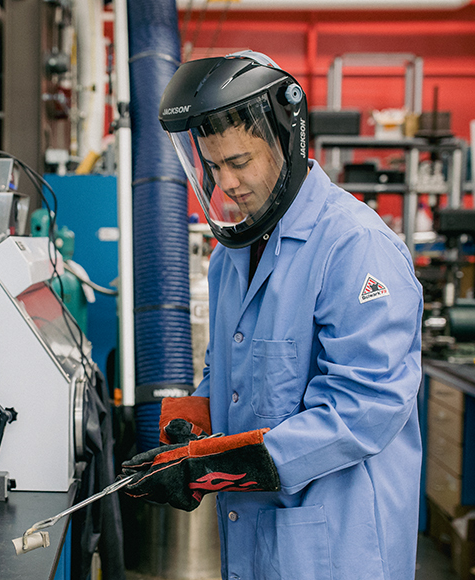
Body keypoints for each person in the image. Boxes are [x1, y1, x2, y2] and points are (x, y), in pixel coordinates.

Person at [122, 51, 423, 580]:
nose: (227, 185)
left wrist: (220, 467)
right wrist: (188, 441)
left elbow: (364, 409)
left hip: (335, 547)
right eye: (214, 168)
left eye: (240, 162)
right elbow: (229, 377)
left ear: (287, 140)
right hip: (254, 538)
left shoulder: (356, 247)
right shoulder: (229, 258)